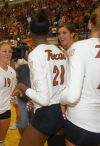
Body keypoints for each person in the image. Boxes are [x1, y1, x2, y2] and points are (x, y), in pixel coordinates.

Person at [13, 10, 67, 146]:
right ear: (48, 30)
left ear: (30, 33)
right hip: (63, 110)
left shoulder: (36, 54)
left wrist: (22, 87)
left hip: (46, 112)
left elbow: (43, 99)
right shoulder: (60, 50)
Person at [60, 7, 100, 146]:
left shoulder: (79, 47)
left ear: (90, 24)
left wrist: (61, 99)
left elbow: (72, 96)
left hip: (81, 122)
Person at [47, 23, 76, 146]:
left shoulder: (77, 51)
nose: (61, 36)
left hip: (74, 103)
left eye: (64, 33)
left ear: (72, 34)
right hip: (61, 103)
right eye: (59, 33)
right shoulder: (60, 52)